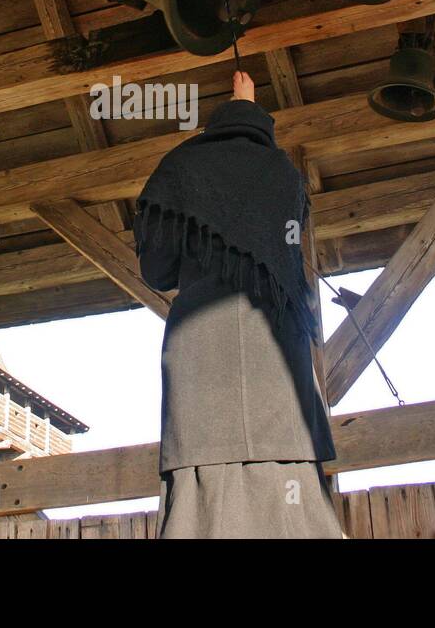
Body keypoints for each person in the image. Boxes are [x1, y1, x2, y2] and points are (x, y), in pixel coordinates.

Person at [135, 70, 343, 538]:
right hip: (277, 356)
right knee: (289, 479)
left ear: (213, 124)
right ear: (263, 126)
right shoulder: (284, 174)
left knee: (200, 490)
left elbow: (158, 271)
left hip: (201, 356)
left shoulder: (179, 168)